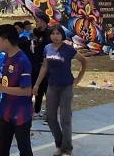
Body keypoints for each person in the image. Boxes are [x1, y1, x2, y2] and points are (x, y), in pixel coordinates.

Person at [32, 25, 87, 156]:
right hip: (51, 86)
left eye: (58, 33)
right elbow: (45, 66)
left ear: (62, 35)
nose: (55, 36)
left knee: (65, 119)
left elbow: (83, 61)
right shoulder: (47, 48)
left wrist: (79, 78)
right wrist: (37, 85)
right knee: (51, 118)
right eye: (53, 33)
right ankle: (60, 144)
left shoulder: (68, 49)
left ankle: (67, 149)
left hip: (66, 87)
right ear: (50, 35)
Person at [0, 25, 33, 156]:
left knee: (24, 149)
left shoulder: (22, 61)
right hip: (6, 111)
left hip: (21, 112)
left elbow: (27, 91)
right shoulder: (6, 57)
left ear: (6, 40)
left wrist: (2, 88)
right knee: (2, 149)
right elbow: (7, 81)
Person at [29, 14, 52, 117]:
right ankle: (37, 110)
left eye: (38, 21)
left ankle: (50, 112)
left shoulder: (49, 33)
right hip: (37, 64)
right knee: (38, 89)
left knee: (47, 89)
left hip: (46, 65)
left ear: (43, 21)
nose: (36, 23)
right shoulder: (38, 33)